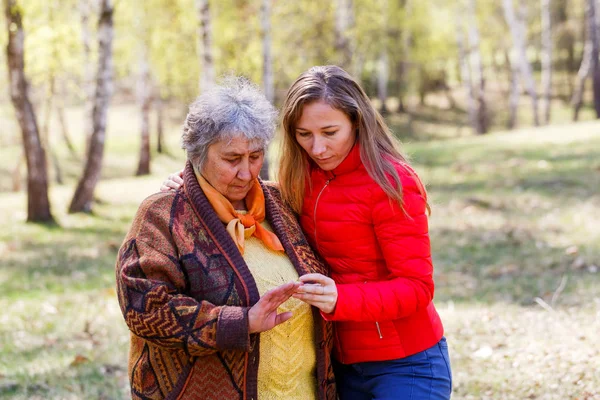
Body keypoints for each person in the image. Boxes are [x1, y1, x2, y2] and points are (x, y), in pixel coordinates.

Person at [162, 66, 452, 399]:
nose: (317, 148)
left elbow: (417, 287)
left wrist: (341, 299)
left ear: (357, 121)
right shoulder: (300, 179)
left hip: (405, 363)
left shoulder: (391, 181)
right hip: (336, 365)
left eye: (330, 132)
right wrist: (193, 179)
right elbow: (243, 190)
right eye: (304, 134)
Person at [117, 76, 336, 400]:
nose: (247, 173)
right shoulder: (163, 215)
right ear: (198, 154)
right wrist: (241, 322)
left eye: (255, 156)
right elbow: (144, 308)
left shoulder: (283, 202)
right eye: (232, 159)